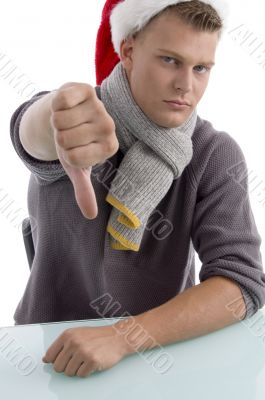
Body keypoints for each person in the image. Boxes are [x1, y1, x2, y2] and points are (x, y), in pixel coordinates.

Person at [10, 0, 265, 378]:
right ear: (127, 51)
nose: (186, 85)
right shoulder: (80, 122)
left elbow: (241, 284)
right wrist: (50, 119)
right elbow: (33, 133)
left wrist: (123, 338)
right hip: (47, 355)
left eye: (200, 68)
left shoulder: (213, 152)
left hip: (160, 358)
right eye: (169, 60)